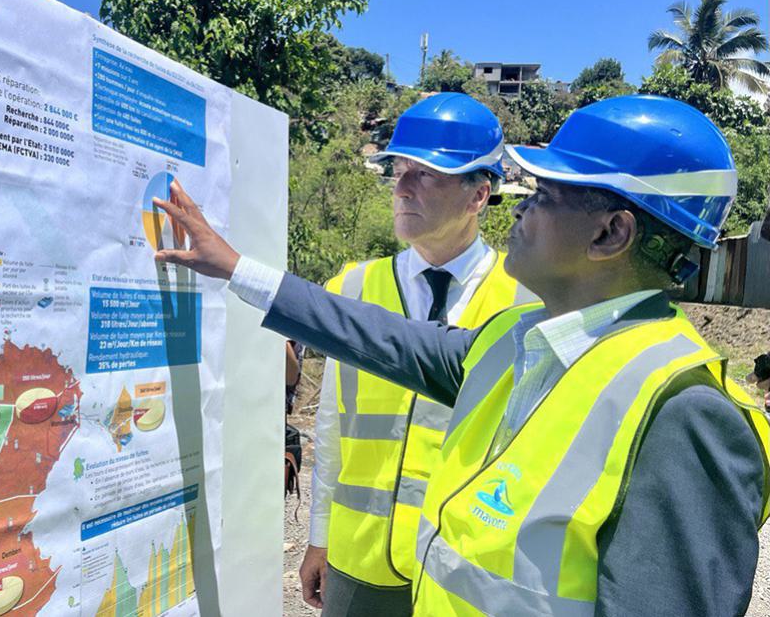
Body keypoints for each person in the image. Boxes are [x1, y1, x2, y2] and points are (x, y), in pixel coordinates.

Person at [153, 95, 770, 615]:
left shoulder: (686, 411)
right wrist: (234, 267)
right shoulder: (517, 339)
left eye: (547, 196)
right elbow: (374, 335)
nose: (520, 207)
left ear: (611, 233)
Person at [299, 93, 532, 616]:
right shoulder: (355, 288)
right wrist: (319, 536)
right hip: (360, 563)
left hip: (465, 569)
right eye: (398, 169)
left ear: (479, 195)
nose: (401, 187)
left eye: (425, 174)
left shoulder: (524, 303)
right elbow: (332, 426)